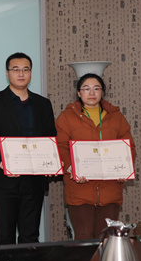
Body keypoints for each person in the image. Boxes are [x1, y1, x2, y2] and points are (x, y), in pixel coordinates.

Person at [0, 52, 57, 245]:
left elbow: (50, 137)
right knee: (4, 234)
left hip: (34, 180)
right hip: (5, 179)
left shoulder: (43, 104)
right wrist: (1, 161)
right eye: (15, 69)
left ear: (31, 73)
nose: (21, 74)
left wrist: (50, 163)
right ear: (7, 73)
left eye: (25, 69)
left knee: (30, 235)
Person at [55, 73, 135, 240]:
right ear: (79, 93)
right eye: (86, 88)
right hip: (79, 189)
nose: (91, 93)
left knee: (106, 237)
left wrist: (124, 170)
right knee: (84, 237)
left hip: (110, 189)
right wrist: (72, 169)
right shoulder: (67, 117)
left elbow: (128, 147)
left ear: (102, 92)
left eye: (96, 88)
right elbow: (60, 146)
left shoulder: (116, 116)